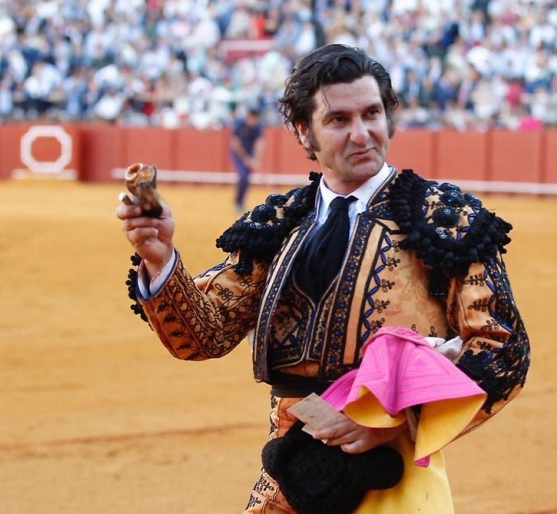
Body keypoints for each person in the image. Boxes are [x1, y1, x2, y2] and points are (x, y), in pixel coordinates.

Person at [116, 44, 530, 513]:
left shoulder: (446, 217)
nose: (361, 134)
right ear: (303, 131)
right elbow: (204, 336)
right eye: (338, 120)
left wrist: (394, 421)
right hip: (292, 470)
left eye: (372, 113)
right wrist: (159, 258)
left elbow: (502, 348)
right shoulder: (280, 220)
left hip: (388, 474)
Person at [229, 107, 265, 213]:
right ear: (248, 116)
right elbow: (235, 143)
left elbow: (260, 143)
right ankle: (238, 202)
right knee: (244, 176)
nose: (253, 121)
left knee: (246, 178)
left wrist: (256, 159)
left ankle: (240, 201)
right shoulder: (240, 125)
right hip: (238, 155)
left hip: (249, 154)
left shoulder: (257, 127)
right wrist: (246, 159)